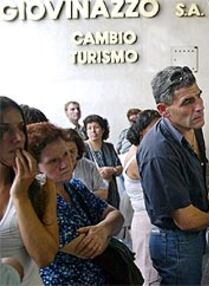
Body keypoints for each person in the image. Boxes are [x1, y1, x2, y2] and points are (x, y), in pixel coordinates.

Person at [138, 66, 209, 285]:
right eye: (188, 102)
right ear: (163, 109)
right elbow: (186, 220)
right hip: (176, 241)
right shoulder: (159, 152)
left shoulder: (191, 127)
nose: (199, 107)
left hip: (192, 236)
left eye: (199, 96)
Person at [27, 122, 124, 285]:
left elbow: (116, 215)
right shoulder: (37, 202)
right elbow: (88, 250)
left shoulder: (74, 186)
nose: (65, 164)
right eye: (53, 161)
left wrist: (103, 229)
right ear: (34, 167)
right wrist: (107, 230)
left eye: (66, 154)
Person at [0, 96, 59, 285]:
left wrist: (19, 196)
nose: (17, 138)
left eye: (20, 127)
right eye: (4, 129)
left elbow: (45, 256)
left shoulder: (41, 184)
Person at [124, 109, 161, 285]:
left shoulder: (140, 150)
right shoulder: (139, 157)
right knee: (148, 274)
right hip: (146, 220)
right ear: (142, 132)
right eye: (155, 128)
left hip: (148, 218)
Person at [84, 114, 123, 209]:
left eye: (96, 127)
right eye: (89, 128)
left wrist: (112, 170)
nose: (93, 131)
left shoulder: (109, 147)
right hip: (93, 192)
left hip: (111, 191)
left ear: (103, 129)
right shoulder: (83, 148)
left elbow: (120, 168)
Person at [63, 128, 109, 200]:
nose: (69, 156)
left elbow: (103, 192)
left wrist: (83, 198)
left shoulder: (89, 166)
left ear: (78, 150)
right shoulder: (56, 169)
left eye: (72, 151)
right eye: (65, 152)